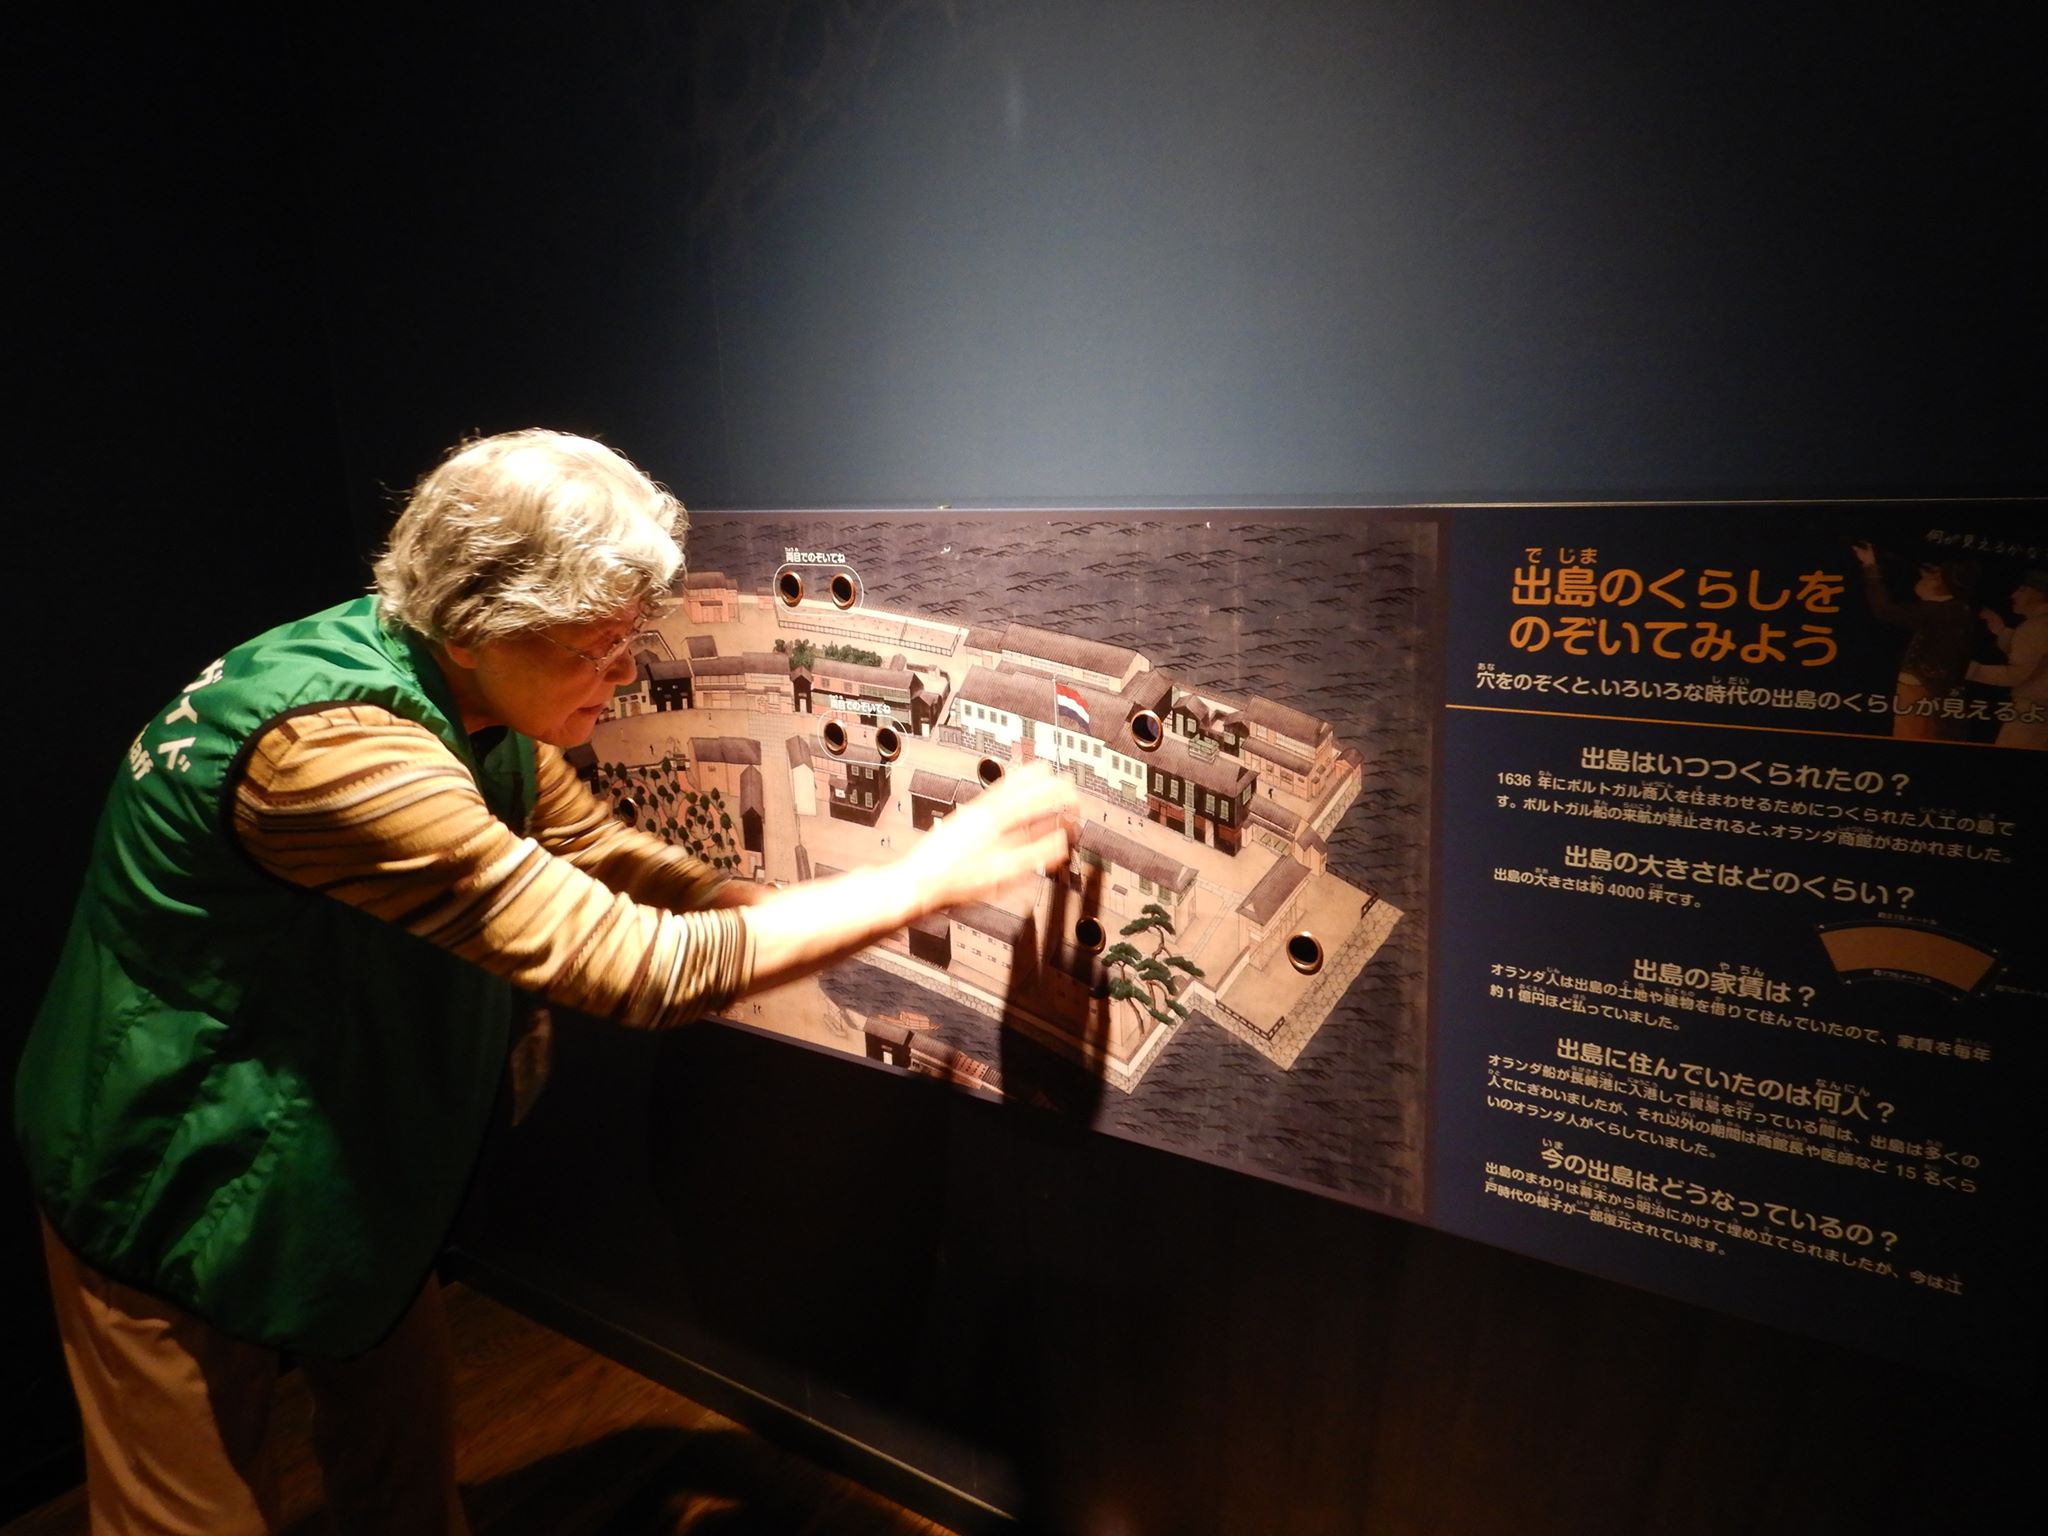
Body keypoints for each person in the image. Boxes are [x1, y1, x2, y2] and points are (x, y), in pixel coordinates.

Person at [15, 429, 1078, 1535]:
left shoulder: (463, 690)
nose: (625, 673)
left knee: (400, 1460)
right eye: (596, 647)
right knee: (190, 1511)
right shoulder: (332, 752)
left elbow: (591, 848)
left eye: (630, 639)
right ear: (476, 631)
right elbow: (637, 970)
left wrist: (764, 908)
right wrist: (920, 884)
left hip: (339, 1139)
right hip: (177, 1146)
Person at [1850, 541, 1978, 740]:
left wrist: (1870, 565)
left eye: (1935, 575)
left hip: (1921, 686)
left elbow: (1884, 609)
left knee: (1912, 735)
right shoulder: (1957, 609)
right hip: (1933, 687)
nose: (1924, 577)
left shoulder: (1942, 611)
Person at [1967, 569, 2048, 749]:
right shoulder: (2039, 625)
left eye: (2022, 590)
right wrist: (2002, 631)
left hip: (2032, 710)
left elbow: (2014, 675)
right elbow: (2034, 656)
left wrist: (1968, 669)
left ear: (2039, 594)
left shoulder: (2036, 627)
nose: (2014, 595)